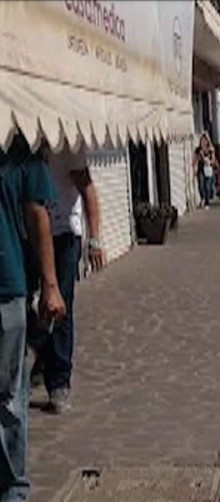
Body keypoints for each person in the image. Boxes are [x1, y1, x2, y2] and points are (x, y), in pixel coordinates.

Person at [0, 133, 66, 502]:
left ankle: (10, 489)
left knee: (8, 392)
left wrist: (51, 284)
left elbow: (38, 214)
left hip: (6, 284)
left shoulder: (18, 145)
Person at [31, 142, 104, 414]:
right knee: (29, 303)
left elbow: (88, 190)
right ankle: (41, 354)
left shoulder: (67, 147)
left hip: (63, 235)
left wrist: (95, 240)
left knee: (60, 307)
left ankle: (59, 381)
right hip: (32, 233)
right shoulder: (24, 142)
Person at [193, 132, 217, 209]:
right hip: (201, 170)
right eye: (202, 140)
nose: (203, 142)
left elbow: (213, 160)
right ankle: (202, 198)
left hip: (208, 170)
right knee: (201, 186)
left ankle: (207, 202)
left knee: (207, 187)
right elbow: (194, 160)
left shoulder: (210, 149)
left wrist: (209, 162)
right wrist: (195, 165)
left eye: (205, 140)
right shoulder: (198, 150)